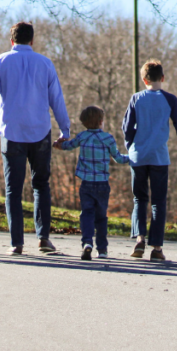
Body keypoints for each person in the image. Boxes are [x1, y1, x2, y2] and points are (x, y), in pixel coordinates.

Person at [0, 22, 71, 256]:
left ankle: (16, 242)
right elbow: (56, 99)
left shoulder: (0, 62)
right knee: (41, 185)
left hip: (12, 133)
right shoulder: (45, 63)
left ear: (12, 41)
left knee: (13, 190)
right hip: (40, 131)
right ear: (32, 41)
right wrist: (65, 130)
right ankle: (43, 238)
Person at [122, 59, 177, 262]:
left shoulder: (136, 98)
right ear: (162, 78)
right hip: (159, 158)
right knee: (158, 202)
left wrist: (131, 147)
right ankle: (156, 247)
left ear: (144, 80)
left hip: (138, 156)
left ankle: (139, 239)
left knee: (139, 199)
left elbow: (126, 127)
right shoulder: (170, 100)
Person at [54, 106, 130, 260]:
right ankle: (102, 249)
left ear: (84, 122)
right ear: (101, 122)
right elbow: (119, 158)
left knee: (87, 214)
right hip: (102, 184)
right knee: (101, 217)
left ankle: (87, 242)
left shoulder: (82, 137)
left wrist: (59, 144)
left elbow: (68, 146)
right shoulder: (108, 138)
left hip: (86, 184)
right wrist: (134, 158)